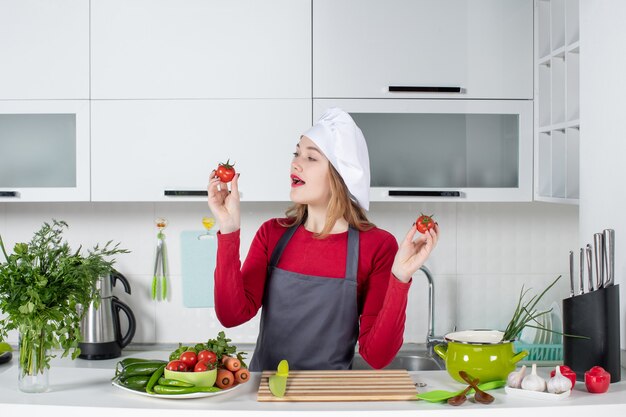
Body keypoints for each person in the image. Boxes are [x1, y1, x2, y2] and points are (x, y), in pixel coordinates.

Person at [207, 108, 439, 371]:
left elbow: (377, 356)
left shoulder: (377, 246)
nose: (296, 163)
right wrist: (228, 228)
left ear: (339, 175)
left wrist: (400, 279)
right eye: (296, 153)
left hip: (330, 396)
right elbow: (230, 315)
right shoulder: (272, 234)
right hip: (267, 395)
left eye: (311, 158)